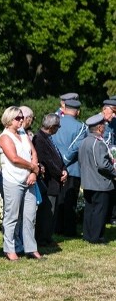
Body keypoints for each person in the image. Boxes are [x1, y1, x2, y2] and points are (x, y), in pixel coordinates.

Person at [0, 106, 40, 261]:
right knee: (12, 216)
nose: (22, 120)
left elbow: (33, 153)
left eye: (22, 117)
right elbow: (14, 158)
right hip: (13, 180)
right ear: (9, 120)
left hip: (29, 179)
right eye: (18, 118)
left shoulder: (23, 133)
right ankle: (9, 249)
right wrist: (33, 167)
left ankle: (31, 248)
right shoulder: (5, 137)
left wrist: (34, 173)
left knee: (30, 216)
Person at [78, 113, 116, 244]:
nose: (105, 128)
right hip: (100, 182)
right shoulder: (98, 143)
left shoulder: (84, 141)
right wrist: (114, 171)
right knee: (100, 211)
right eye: (103, 126)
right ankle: (96, 237)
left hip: (88, 182)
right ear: (99, 128)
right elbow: (102, 164)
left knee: (90, 210)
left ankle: (88, 235)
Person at [51, 99, 86, 237]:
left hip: (55, 166)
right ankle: (69, 229)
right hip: (72, 168)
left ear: (64, 109)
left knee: (58, 198)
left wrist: (58, 161)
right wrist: (65, 159)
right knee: (70, 200)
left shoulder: (55, 123)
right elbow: (77, 146)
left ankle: (56, 227)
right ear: (77, 111)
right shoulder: (81, 127)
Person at [31, 114, 66, 247]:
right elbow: (46, 161)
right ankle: (42, 238)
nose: (59, 129)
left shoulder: (48, 138)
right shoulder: (39, 139)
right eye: (58, 127)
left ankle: (48, 236)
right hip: (49, 181)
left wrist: (64, 169)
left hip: (55, 180)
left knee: (52, 212)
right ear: (51, 127)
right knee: (47, 212)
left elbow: (57, 157)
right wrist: (59, 172)